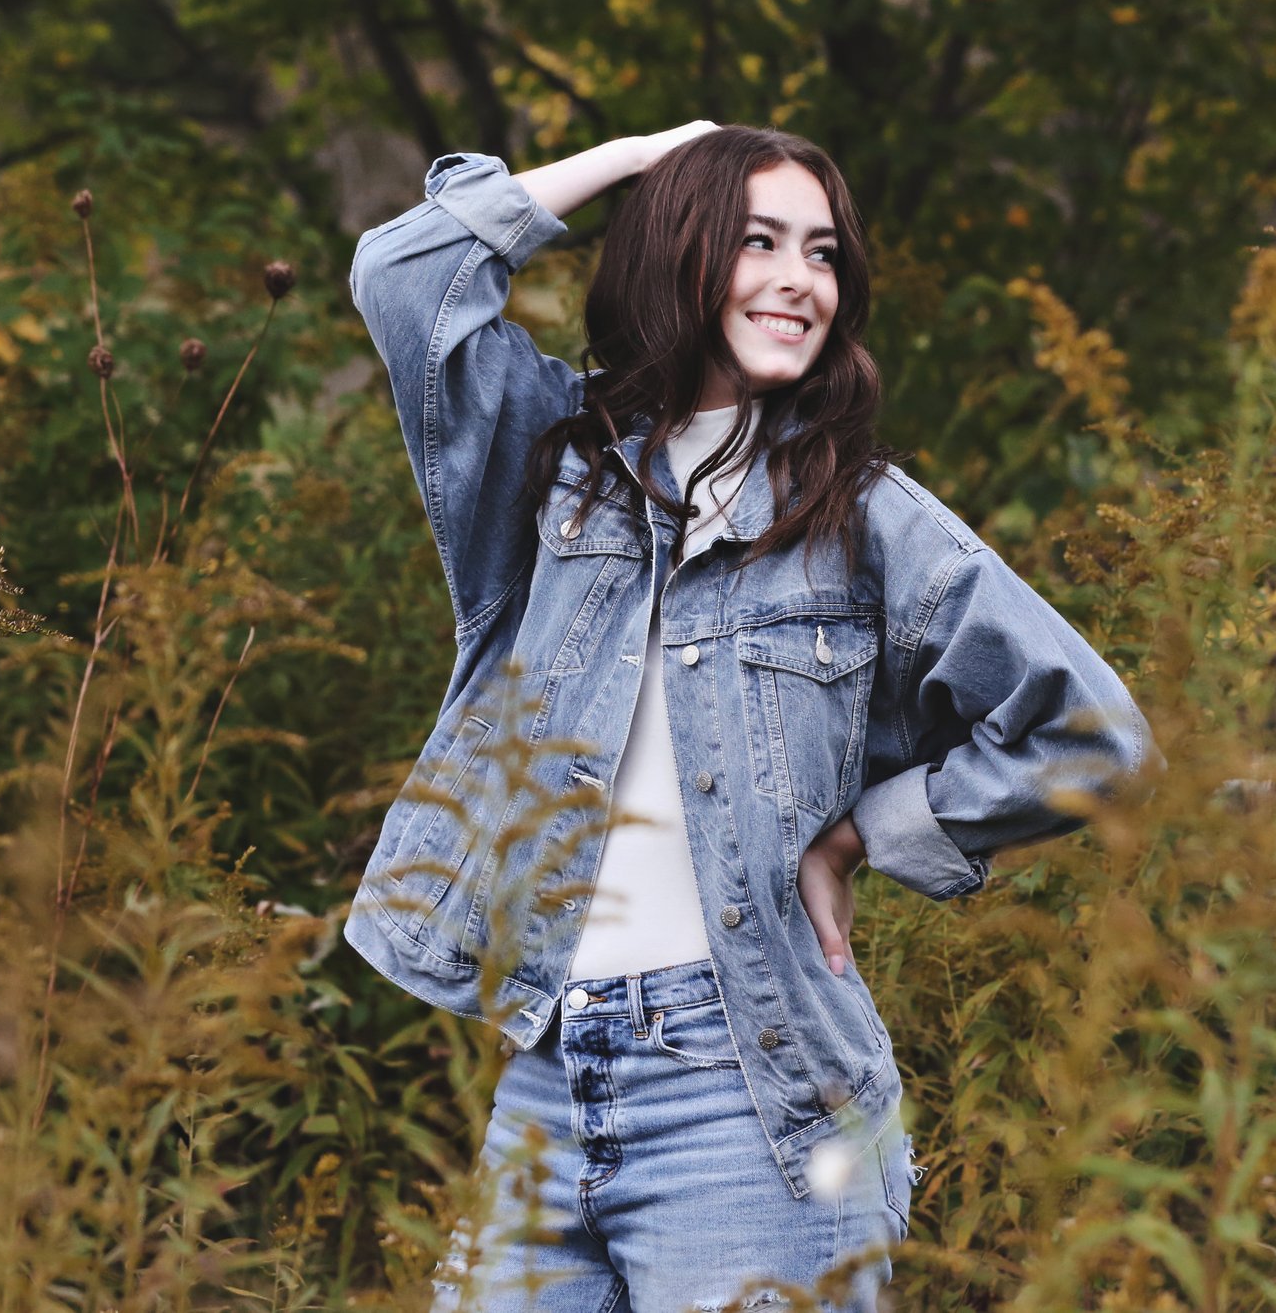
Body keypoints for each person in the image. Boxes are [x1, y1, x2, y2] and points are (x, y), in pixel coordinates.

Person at [343, 122, 1151, 1312]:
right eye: (758, 240)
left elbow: (1093, 733)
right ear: (679, 251)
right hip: (549, 1078)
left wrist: (871, 828)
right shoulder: (557, 470)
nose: (798, 280)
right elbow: (402, 276)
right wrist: (634, 156)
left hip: (755, 1094)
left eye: (821, 253)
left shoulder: (864, 516)